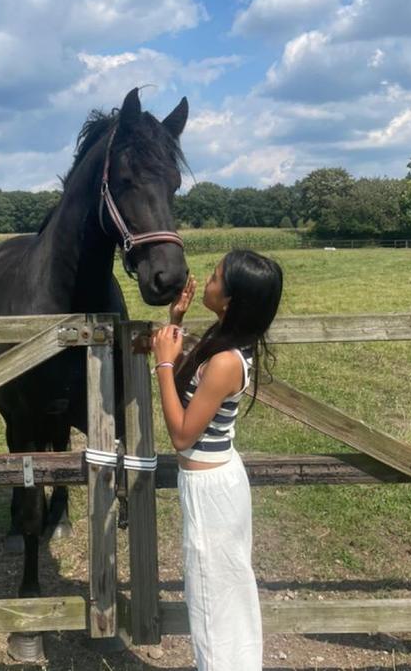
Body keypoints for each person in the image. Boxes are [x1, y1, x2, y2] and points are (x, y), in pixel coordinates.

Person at [151, 248, 283, 671]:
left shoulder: (226, 360)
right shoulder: (224, 339)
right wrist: (175, 322)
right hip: (213, 482)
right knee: (220, 590)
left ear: (230, 298)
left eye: (213, 277)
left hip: (212, 492)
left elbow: (181, 433)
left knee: (212, 598)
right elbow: (190, 381)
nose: (204, 281)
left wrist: (163, 364)